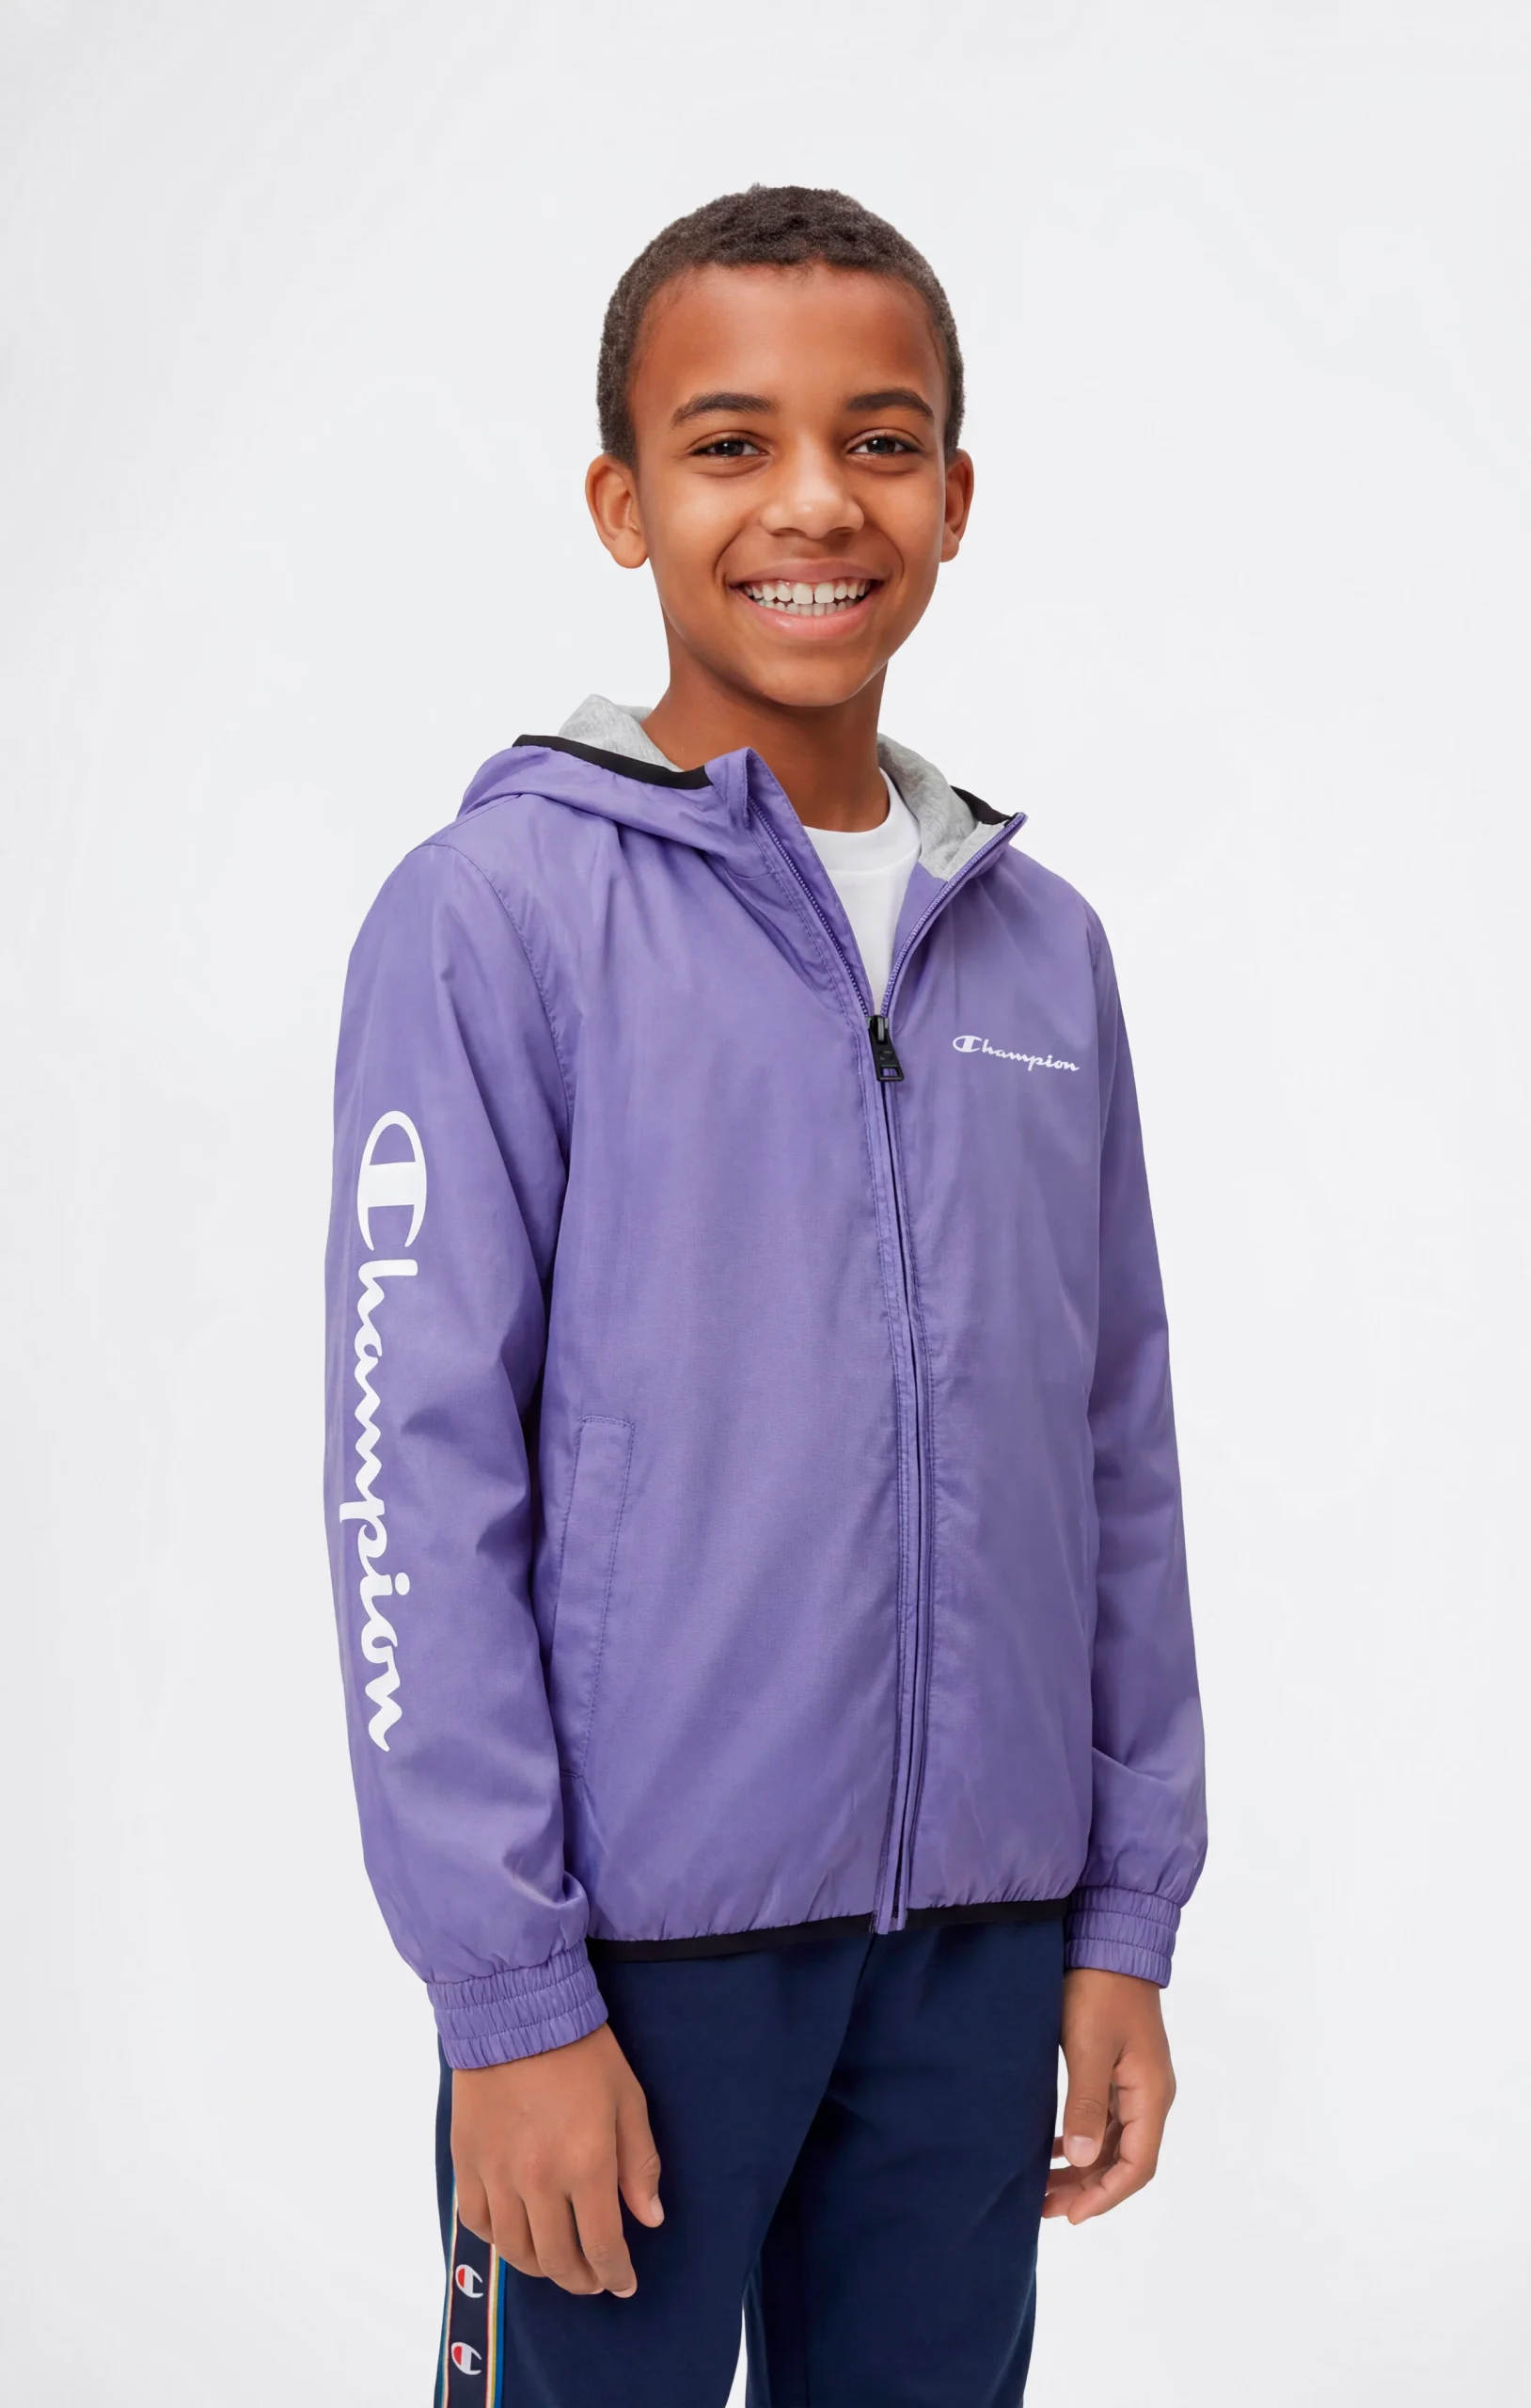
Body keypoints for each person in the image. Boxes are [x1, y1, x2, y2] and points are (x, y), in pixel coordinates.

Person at [324, 183, 1207, 2408]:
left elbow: (1114, 1447)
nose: (813, 500)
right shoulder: (495, 914)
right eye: (730, 443)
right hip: (629, 1966)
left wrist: (1119, 1915)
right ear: (622, 502)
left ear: (953, 496)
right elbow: (411, 1482)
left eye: (877, 440)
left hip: (979, 1945)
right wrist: (506, 1992)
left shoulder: (1042, 952)